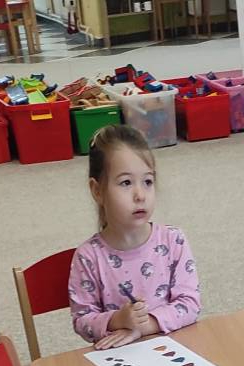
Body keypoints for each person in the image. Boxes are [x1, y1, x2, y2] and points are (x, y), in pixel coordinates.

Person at [68, 123, 200, 349]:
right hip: (118, 358)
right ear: (97, 191)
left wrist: (143, 327)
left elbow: (190, 304)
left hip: (173, 351)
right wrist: (118, 320)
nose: (140, 195)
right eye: (126, 183)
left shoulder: (173, 240)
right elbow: (82, 321)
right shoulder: (88, 256)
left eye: (148, 182)